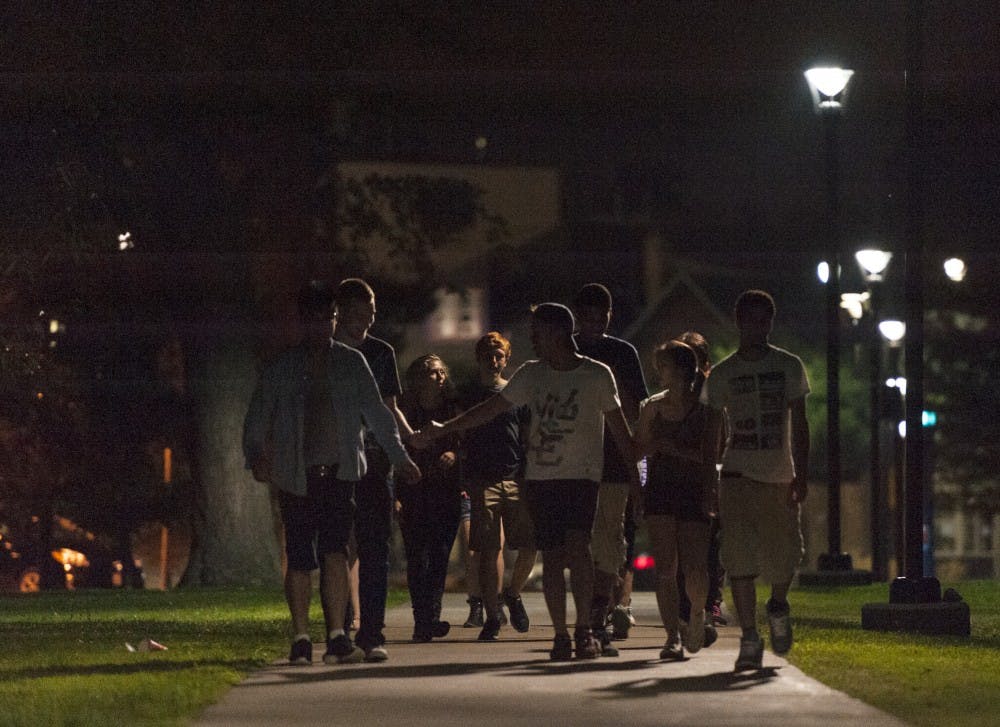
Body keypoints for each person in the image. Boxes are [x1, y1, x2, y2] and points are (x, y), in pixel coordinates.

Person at [412, 303, 637, 661]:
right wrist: (447, 428)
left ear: (557, 333)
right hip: (542, 478)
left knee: (580, 551)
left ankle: (583, 631)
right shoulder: (531, 374)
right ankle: (561, 634)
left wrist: (636, 481)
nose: (532, 338)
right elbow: (491, 409)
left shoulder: (597, 375)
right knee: (551, 553)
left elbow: (621, 431)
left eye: (537, 332)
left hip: (582, 478)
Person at [243, 280, 420, 666]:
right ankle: (301, 636)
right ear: (303, 322)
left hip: (341, 473)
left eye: (328, 319)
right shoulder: (283, 366)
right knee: (300, 557)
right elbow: (258, 414)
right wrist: (255, 454)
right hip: (294, 473)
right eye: (315, 320)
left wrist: (400, 457)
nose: (322, 328)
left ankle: (338, 633)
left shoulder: (351, 362)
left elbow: (378, 413)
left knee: (336, 551)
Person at [701, 289, 810, 672]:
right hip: (736, 475)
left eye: (763, 320)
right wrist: (708, 482)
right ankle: (749, 636)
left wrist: (802, 473)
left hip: (779, 475)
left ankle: (778, 604)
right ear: (739, 321)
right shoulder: (725, 373)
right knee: (739, 557)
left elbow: (801, 422)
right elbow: (712, 431)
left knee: (785, 556)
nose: (756, 328)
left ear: (770, 323)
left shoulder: (789, 366)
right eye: (750, 320)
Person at [333, 278, 413, 662]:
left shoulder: (380, 352)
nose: (367, 320)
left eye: (371, 314)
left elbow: (388, 408)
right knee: (337, 548)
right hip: (335, 461)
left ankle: (372, 632)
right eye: (359, 313)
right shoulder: (325, 354)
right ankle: (340, 626)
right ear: (342, 312)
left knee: (375, 548)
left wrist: (409, 443)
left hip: (376, 460)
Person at [571, 283, 649, 654]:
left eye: (601, 316)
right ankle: (585, 618)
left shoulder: (622, 353)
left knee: (609, 541)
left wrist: (639, 459)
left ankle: (598, 615)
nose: (595, 323)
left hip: (614, 461)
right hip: (572, 462)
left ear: (609, 316)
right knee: (577, 543)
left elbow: (637, 406)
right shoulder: (566, 352)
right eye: (587, 316)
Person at [635, 339, 723, 660]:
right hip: (660, 489)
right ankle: (672, 636)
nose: (660, 373)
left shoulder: (707, 410)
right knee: (665, 569)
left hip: (693, 489)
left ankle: (697, 613)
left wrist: (710, 493)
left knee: (695, 567)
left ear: (684, 369)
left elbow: (710, 454)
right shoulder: (651, 407)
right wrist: (639, 486)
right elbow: (638, 450)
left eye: (665, 366)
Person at [461, 332, 536, 641]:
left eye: (499, 356)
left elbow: (528, 436)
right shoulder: (468, 394)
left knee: (531, 544)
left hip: (516, 477)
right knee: (490, 548)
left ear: (507, 360)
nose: (493, 361)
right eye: (488, 355)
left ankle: (513, 593)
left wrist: (530, 474)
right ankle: (492, 615)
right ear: (479, 358)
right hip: (483, 479)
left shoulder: (517, 393)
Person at [398, 354, 464, 642]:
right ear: (418, 378)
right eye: (431, 373)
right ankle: (422, 619)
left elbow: (467, 442)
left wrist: (455, 454)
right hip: (413, 492)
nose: (439, 378)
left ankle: (431, 617)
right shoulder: (406, 411)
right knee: (417, 556)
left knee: (439, 556)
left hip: (446, 493)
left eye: (441, 372)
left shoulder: (453, 409)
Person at [675, 330, 727, 632]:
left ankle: (709, 602)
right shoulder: (675, 393)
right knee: (685, 547)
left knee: (711, 545)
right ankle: (688, 604)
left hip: (711, 473)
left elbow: (721, 438)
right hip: (679, 475)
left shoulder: (713, 392)